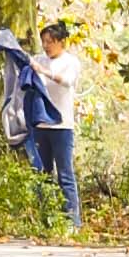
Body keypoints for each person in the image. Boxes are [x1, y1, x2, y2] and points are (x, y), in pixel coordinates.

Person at [22, 20, 84, 230]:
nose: (47, 46)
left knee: (65, 174)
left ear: (61, 42)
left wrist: (44, 72)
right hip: (41, 126)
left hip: (62, 126)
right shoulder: (39, 59)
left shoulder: (70, 62)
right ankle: (46, 219)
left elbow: (67, 81)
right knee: (42, 174)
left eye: (50, 42)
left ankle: (73, 222)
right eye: (44, 42)